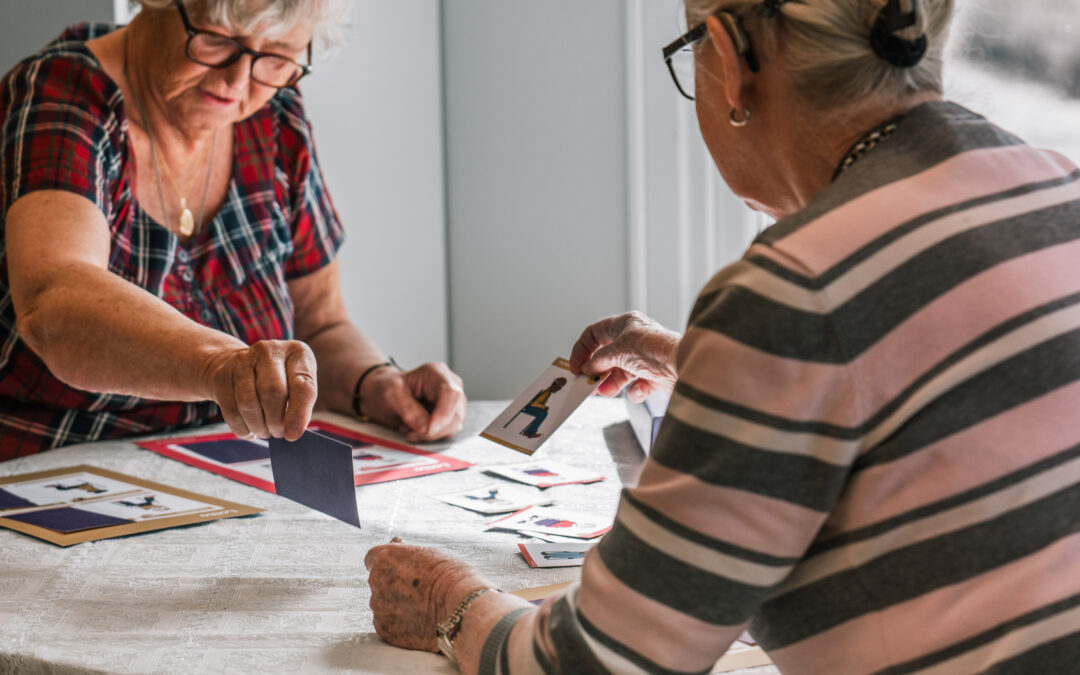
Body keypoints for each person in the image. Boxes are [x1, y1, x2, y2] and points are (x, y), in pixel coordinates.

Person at [366, 0, 1080, 672]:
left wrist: (450, 602)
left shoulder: (795, 289)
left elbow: (602, 661)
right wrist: (706, 363)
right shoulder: (1056, 191)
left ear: (730, 57)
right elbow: (936, 380)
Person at [0, 0, 466, 458]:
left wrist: (378, 383)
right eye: (217, 40)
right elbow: (55, 305)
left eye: (277, 56)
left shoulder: (275, 113)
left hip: (219, 464)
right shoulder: (60, 94)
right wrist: (220, 366)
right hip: (55, 463)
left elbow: (320, 324)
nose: (237, 81)